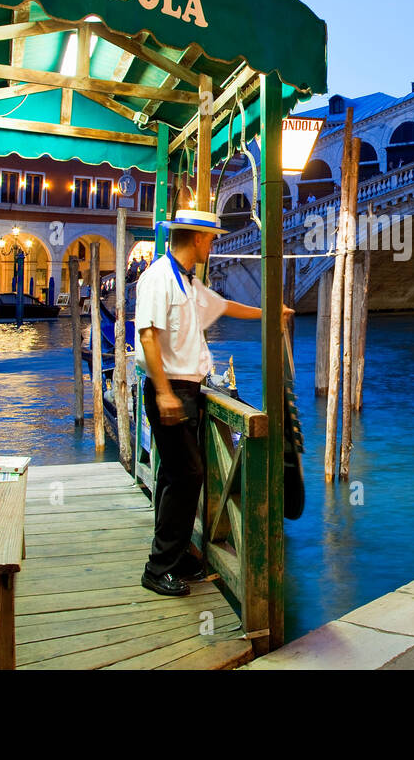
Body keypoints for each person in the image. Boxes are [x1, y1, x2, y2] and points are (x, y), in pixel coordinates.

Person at [135, 209, 294, 596]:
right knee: (186, 475)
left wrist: (270, 314)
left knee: (178, 476)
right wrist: (163, 392)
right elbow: (148, 337)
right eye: (211, 239)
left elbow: (223, 305)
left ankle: (174, 555)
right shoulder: (159, 278)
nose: (214, 244)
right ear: (197, 239)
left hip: (187, 392)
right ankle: (158, 568)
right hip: (170, 391)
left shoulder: (187, 283)